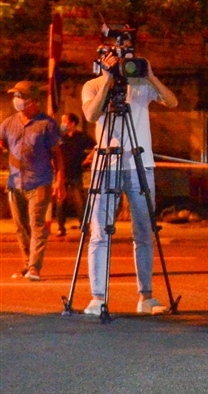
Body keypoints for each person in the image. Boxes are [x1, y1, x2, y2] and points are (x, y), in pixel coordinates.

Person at [81, 43, 178, 316]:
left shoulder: (141, 85)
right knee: (100, 233)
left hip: (140, 164)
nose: (122, 62)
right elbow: (91, 115)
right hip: (106, 164)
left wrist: (151, 76)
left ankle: (146, 296)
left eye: (126, 57)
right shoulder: (92, 86)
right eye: (115, 58)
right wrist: (109, 80)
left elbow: (172, 102)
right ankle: (98, 297)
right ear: (102, 60)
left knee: (145, 232)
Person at [1, 81, 66, 281]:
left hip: (39, 181)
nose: (16, 100)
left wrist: (59, 181)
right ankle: (28, 263)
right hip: (15, 184)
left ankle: (35, 267)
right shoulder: (8, 123)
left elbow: (57, 155)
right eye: (15, 96)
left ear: (33, 101)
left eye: (20, 96)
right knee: (21, 227)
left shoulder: (47, 124)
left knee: (37, 224)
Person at [55, 112, 95, 237]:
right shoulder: (60, 137)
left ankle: (84, 226)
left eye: (64, 121)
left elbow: (96, 147)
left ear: (72, 123)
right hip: (61, 174)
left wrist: (88, 158)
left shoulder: (82, 137)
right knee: (61, 201)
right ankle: (61, 228)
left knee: (80, 201)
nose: (62, 124)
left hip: (76, 172)